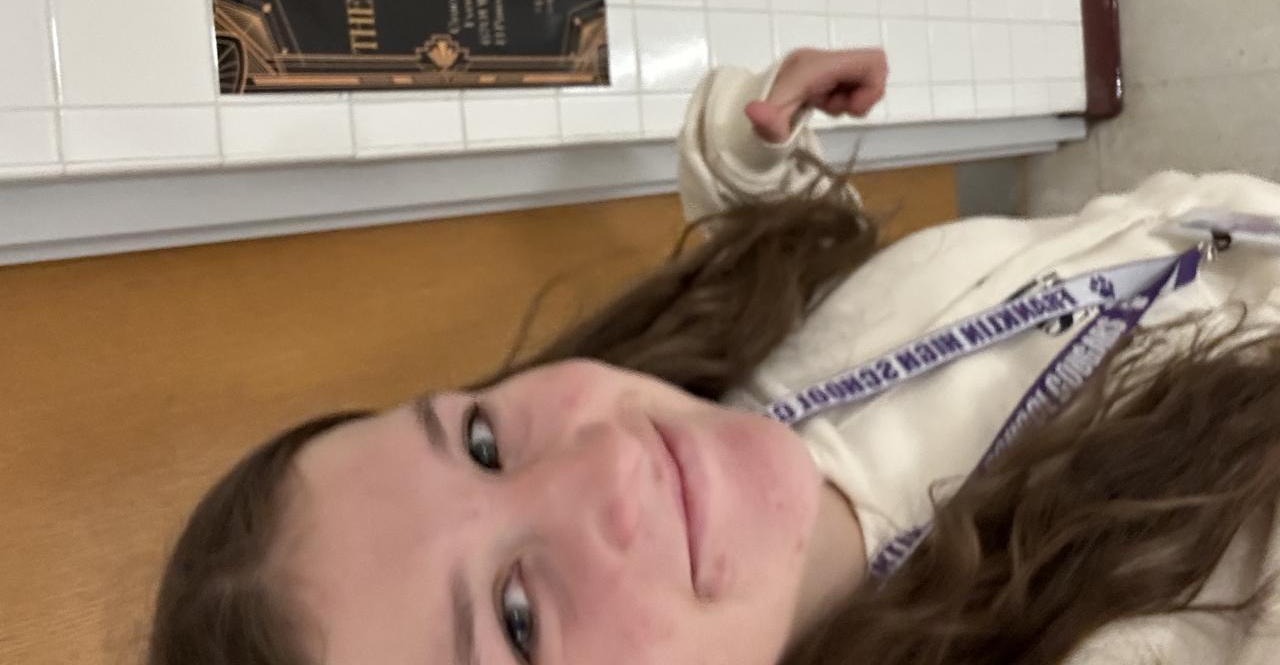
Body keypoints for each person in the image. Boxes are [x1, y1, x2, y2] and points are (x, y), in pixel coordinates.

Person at [147, 48, 1280, 665]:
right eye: (519, 624)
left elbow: (875, 319)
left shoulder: (752, 379)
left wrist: (757, 149)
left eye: (482, 442)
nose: (607, 463)